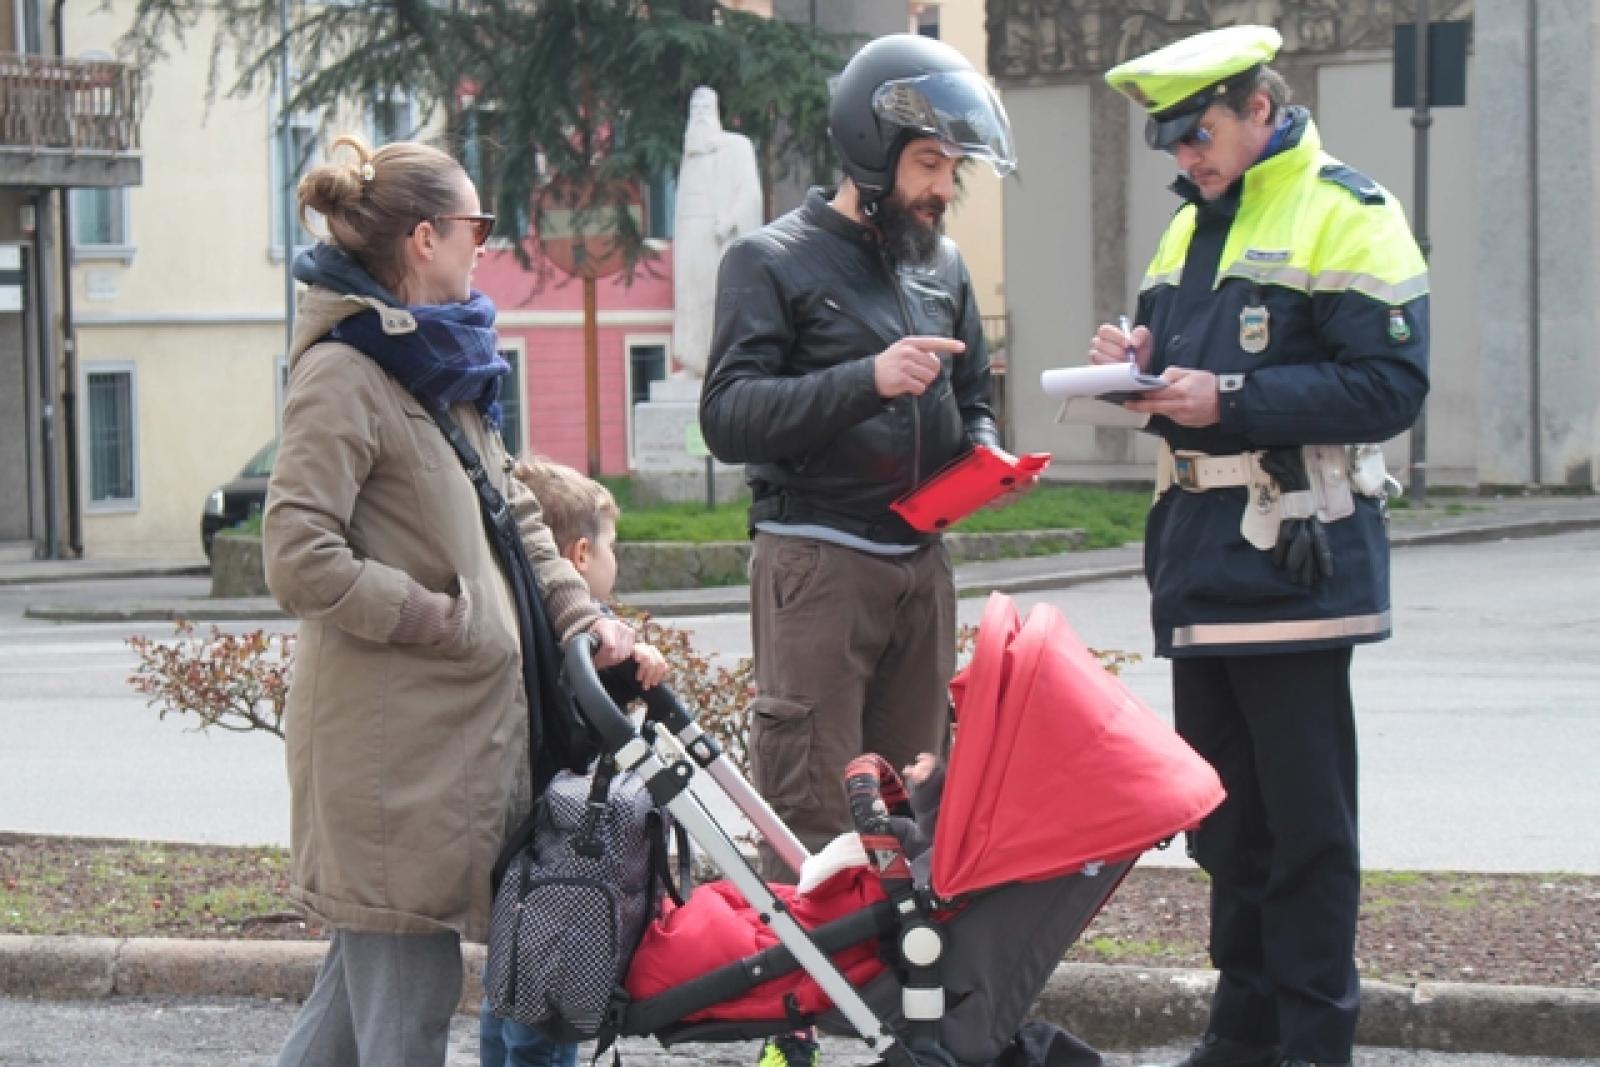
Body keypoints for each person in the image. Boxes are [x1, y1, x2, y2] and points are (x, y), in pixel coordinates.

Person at [1090, 26, 1430, 1067]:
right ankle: (1241, 1030)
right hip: (1197, 556)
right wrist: (1131, 362)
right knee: (1224, 825)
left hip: (1293, 557)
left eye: (1198, 133)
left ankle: (1312, 1038)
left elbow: (1389, 387)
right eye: (1171, 143)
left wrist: (1229, 394)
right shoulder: (1186, 231)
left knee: (1304, 828)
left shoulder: (1347, 209)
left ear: (1257, 111)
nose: (1185, 157)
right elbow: (1172, 378)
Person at [263, 134, 639, 1067]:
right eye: (477, 225)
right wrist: (442, 617)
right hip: (391, 763)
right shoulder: (345, 372)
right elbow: (296, 554)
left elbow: (516, 513)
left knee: (348, 1021)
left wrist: (580, 618)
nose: (487, 244)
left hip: (435, 754)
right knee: (404, 1014)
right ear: (426, 238)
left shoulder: (438, 367)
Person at [698, 33, 1023, 1067]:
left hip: (918, 561)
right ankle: (787, 1042)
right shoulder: (770, 259)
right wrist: (864, 380)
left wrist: (983, 455)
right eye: (929, 166)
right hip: (817, 562)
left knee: (914, 812)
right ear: (869, 153)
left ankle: (899, 1034)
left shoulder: (944, 264)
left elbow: (970, 395)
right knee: (811, 811)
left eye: (952, 169)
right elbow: (728, 415)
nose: (945, 189)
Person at [478, 455, 668, 1067]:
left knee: (506, 988)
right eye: (613, 546)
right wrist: (638, 671)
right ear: (581, 556)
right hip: (562, 855)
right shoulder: (584, 638)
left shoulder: (522, 621)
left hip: (517, 849)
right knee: (549, 1007)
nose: (618, 559)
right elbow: (586, 712)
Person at [672, 85, 763, 379]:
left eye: (704, 109)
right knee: (690, 296)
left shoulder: (736, 146)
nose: (699, 115)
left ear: (715, 113)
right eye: (694, 110)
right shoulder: (690, 155)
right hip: (689, 233)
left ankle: (720, 361)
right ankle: (693, 361)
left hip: (718, 233)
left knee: (717, 295)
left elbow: (749, 191)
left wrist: (731, 221)